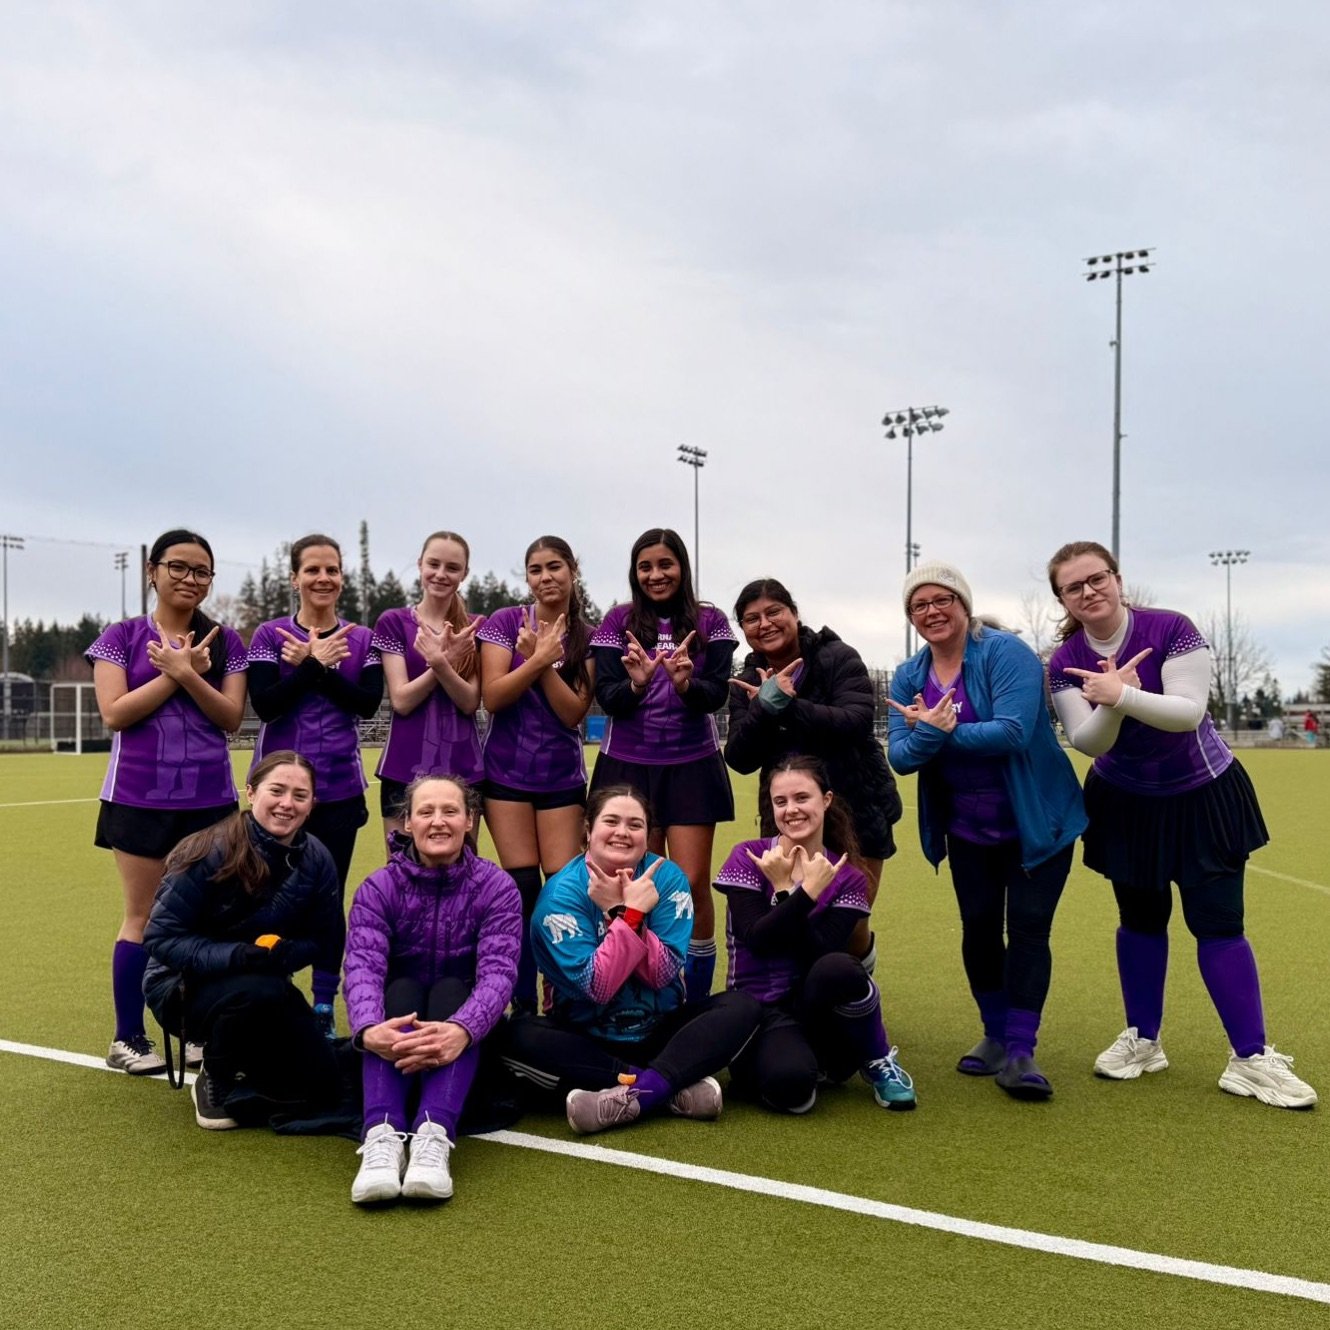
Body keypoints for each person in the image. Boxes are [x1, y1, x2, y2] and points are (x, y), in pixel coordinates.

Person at [1046, 540, 1316, 1109]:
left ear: (1117, 580)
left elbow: (1187, 712)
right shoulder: (1064, 659)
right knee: (1140, 920)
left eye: (1097, 579)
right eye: (1074, 587)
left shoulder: (1172, 628)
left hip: (1203, 795)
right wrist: (1111, 704)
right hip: (1126, 803)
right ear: (1064, 599)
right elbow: (1088, 741)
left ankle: (1250, 1057)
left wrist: (1121, 691)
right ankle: (1144, 1041)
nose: (1089, 592)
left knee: (1218, 923)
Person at [887, 562, 1085, 1101]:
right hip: (967, 828)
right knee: (977, 928)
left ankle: (1021, 1050)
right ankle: (995, 1035)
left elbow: (1015, 732)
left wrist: (932, 732)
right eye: (919, 605)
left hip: (1036, 821)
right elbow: (900, 757)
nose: (932, 611)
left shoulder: (1005, 652)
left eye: (941, 599)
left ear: (963, 603)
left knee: (1026, 928)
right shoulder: (910, 674)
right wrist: (928, 737)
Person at [502, 785, 762, 1134]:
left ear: (646, 834)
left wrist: (620, 911)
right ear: (589, 830)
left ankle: (632, 1094)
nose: (623, 832)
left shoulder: (667, 879)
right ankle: (666, 1086)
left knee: (743, 1007)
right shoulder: (561, 895)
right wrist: (630, 915)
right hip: (587, 1037)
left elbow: (661, 973)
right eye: (611, 821)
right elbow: (597, 986)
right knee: (514, 1034)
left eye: (635, 824)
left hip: (661, 1031)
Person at [88, 529, 249, 1075]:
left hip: (210, 801)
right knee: (143, 916)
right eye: (178, 567)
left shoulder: (226, 642)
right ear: (152, 572)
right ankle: (128, 1039)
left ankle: (198, 1030)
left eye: (201, 571)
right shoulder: (121, 637)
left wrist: (190, 675)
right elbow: (115, 713)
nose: (189, 579)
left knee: (206, 919)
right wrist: (176, 674)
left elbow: (229, 718)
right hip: (137, 798)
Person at [142, 751, 344, 1130]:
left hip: (264, 984)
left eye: (300, 795)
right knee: (259, 991)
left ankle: (250, 1057)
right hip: (180, 989)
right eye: (277, 790)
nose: (287, 804)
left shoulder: (318, 858)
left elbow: (325, 938)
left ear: (312, 804)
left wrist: (287, 954)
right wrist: (238, 955)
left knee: (324, 1084)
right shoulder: (207, 849)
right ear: (251, 792)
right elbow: (160, 937)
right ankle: (214, 1076)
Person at [343, 776, 521, 1204]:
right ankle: (382, 1136)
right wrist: (368, 1030)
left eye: (450, 811)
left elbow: (498, 974)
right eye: (426, 812)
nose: (438, 822)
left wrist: (462, 1028)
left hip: (465, 1038)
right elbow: (363, 967)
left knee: (449, 992)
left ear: (470, 821)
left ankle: (432, 1134)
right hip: (397, 1029)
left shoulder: (497, 888)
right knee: (401, 989)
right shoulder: (379, 888)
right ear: (407, 822)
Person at [715, 757, 915, 1114]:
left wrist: (793, 894)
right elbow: (758, 940)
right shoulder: (748, 857)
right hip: (760, 1011)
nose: (791, 809)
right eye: (781, 802)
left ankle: (876, 1059)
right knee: (790, 1088)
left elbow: (818, 952)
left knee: (840, 968)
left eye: (802, 798)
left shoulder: (848, 875)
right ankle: (802, 1065)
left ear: (826, 800)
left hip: (816, 1007)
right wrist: (792, 891)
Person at [589, 528, 737, 1001]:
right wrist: (636, 685)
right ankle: (643, 991)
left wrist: (685, 685)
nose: (656, 575)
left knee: (690, 882)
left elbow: (715, 695)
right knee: (636, 880)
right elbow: (608, 699)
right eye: (645, 566)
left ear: (683, 567)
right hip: (629, 771)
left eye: (665, 565)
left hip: (692, 765)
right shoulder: (616, 621)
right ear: (635, 572)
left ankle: (694, 994)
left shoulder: (710, 621)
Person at [247, 534, 384, 1035]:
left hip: (340, 791)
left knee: (327, 898)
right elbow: (266, 704)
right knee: (268, 898)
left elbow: (366, 703)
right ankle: (271, 995)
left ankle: (324, 1005)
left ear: (342, 577)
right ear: (295, 578)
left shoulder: (363, 639)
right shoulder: (267, 635)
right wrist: (312, 664)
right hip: (277, 796)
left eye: (332, 570)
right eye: (312, 570)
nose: (323, 578)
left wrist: (317, 666)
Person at [724, 577, 901, 959]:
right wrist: (763, 709)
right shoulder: (747, 678)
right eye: (751, 619)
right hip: (790, 814)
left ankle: (855, 996)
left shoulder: (837, 656)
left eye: (774, 612)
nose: (765, 623)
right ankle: (795, 1006)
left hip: (856, 805)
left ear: (794, 613)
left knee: (853, 917)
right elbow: (739, 757)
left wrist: (787, 706)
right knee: (793, 907)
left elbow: (855, 721)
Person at [478, 536, 596, 1013]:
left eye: (554, 567)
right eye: (535, 569)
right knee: (522, 888)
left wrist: (543, 662)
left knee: (563, 892)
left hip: (561, 779)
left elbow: (573, 713)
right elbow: (494, 696)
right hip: (506, 776)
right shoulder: (506, 622)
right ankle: (522, 999)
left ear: (573, 570)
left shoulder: (588, 635)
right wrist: (536, 658)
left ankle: (564, 995)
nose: (545, 577)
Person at [371, 531, 483, 847]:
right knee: (402, 877)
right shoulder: (393, 622)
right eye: (433, 564)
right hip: (402, 768)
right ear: (420, 565)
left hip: (465, 771)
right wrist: (443, 662)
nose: (441, 574)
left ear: (464, 574)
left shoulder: (475, 627)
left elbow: (469, 702)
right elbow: (402, 699)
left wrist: (440, 663)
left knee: (462, 874)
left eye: (452, 567)